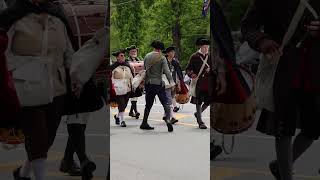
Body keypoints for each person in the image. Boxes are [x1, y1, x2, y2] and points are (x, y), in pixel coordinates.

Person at [241, 1, 320, 179]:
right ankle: (286, 175)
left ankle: (280, 165)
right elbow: (248, 26)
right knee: (284, 128)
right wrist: (262, 41)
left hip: (314, 70)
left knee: (313, 128)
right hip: (282, 68)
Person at [0, 0, 77, 179]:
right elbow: (3, 53)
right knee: (38, 136)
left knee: (47, 139)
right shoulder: (13, 17)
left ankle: (23, 173)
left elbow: (69, 52)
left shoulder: (58, 18)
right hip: (27, 87)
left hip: (57, 89)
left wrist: (76, 76)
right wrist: (21, 70)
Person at [140, 40, 175, 132]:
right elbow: (167, 71)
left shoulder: (147, 56)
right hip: (159, 83)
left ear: (154, 48)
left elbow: (144, 70)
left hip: (149, 83)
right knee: (165, 103)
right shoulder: (162, 58)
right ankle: (167, 119)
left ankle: (144, 122)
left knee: (148, 104)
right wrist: (172, 82)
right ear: (160, 49)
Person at [186, 38, 211, 129]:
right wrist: (192, 75)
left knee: (209, 101)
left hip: (209, 83)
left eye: (207, 47)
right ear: (201, 47)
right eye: (204, 47)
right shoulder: (194, 56)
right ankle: (200, 122)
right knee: (198, 101)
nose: (206, 49)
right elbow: (188, 69)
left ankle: (198, 113)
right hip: (199, 83)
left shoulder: (211, 56)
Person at [110, 49, 134, 127]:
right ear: (117, 57)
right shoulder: (113, 67)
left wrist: (133, 85)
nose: (123, 57)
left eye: (124, 55)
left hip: (127, 88)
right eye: (121, 55)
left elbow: (131, 76)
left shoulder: (127, 65)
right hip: (118, 89)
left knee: (124, 104)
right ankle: (122, 121)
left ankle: (117, 117)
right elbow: (110, 78)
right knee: (121, 104)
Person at [162, 46, 185, 124]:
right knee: (169, 99)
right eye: (171, 52)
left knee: (170, 98)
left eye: (173, 52)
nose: (173, 53)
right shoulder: (163, 61)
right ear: (167, 53)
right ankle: (172, 117)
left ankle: (165, 115)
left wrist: (178, 83)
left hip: (173, 83)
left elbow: (178, 73)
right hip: (165, 83)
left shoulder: (175, 62)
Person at [126, 45, 141, 119]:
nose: (134, 52)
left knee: (135, 97)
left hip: (138, 80)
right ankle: (136, 111)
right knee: (133, 96)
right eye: (132, 51)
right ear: (129, 53)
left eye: (135, 51)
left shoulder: (139, 60)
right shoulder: (127, 61)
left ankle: (131, 112)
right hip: (130, 80)